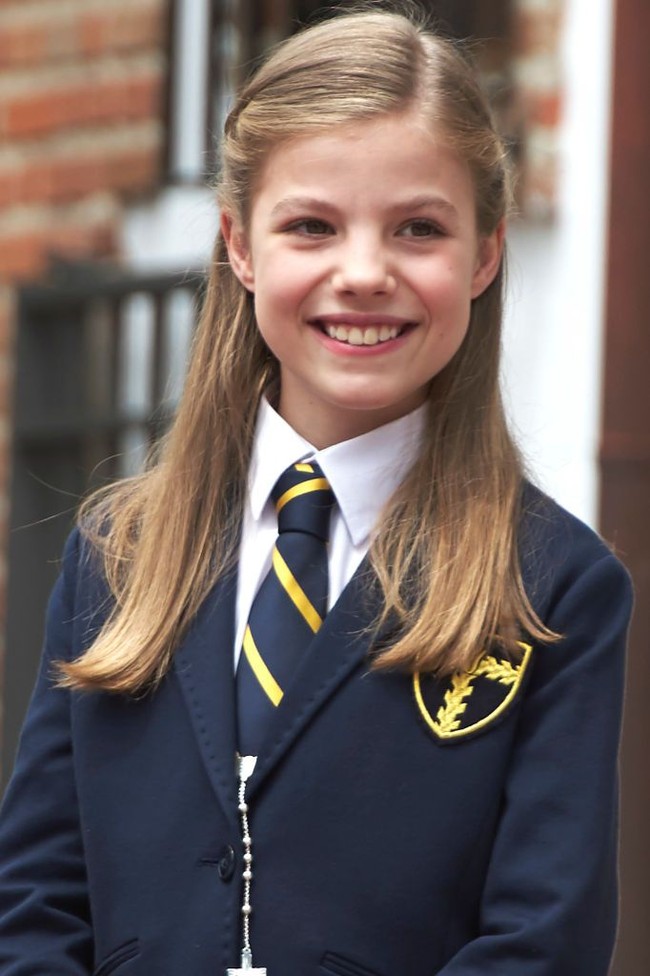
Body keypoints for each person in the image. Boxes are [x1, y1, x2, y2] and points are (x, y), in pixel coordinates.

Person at [0, 5, 632, 975]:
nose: (364, 272)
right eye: (311, 226)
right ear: (241, 248)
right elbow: (34, 904)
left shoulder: (552, 589)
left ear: (484, 253)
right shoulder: (117, 561)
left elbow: (539, 942)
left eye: (418, 228)